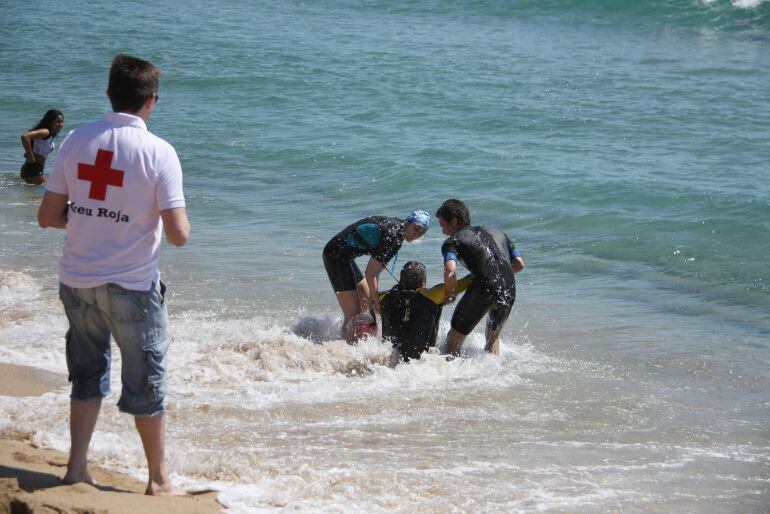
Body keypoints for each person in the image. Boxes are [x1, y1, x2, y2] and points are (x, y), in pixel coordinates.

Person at [37, 55, 190, 496]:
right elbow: (179, 235)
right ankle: (159, 480)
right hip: (132, 285)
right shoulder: (159, 152)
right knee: (145, 379)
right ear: (152, 101)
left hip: (77, 280)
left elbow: (48, 217)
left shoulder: (76, 141)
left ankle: (76, 468)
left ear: (109, 94)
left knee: (87, 374)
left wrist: (92, 214)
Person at [436, 199, 524, 356]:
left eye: (443, 226)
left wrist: (451, 294)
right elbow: (519, 264)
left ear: (454, 221)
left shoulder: (452, 241)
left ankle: (448, 374)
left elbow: (450, 270)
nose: (443, 231)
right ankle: (492, 373)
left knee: (454, 338)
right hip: (509, 287)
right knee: (492, 337)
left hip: (485, 286)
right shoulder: (498, 232)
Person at [323, 210, 430, 341]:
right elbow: (370, 273)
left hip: (347, 258)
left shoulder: (398, 240)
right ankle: (343, 347)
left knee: (366, 300)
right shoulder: (391, 234)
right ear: (408, 221)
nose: (417, 235)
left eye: (421, 233)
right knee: (353, 313)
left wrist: (374, 299)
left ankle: (358, 342)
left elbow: (376, 271)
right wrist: (377, 303)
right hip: (335, 255)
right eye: (416, 229)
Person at [380, 261, 442, 361]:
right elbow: (453, 287)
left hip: (391, 357)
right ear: (423, 283)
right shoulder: (433, 299)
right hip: (421, 361)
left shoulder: (383, 298)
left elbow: (369, 299)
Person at [20, 109, 65, 185]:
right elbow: (25, 136)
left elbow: (36, 145)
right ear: (49, 123)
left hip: (34, 168)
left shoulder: (50, 134)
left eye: (62, 122)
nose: (60, 124)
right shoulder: (45, 132)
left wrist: (29, 152)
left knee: (36, 196)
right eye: (57, 122)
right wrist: (30, 156)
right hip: (33, 169)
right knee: (47, 192)